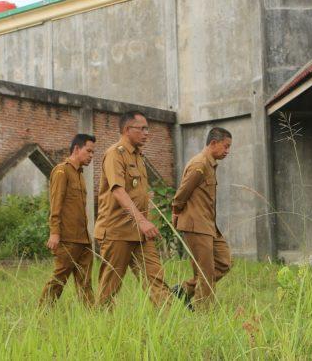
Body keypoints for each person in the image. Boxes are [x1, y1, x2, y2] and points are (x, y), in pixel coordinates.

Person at [94, 111, 170, 307]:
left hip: (140, 234)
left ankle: (172, 327)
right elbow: (118, 191)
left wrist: (144, 223)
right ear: (128, 130)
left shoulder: (138, 156)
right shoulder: (115, 154)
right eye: (142, 128)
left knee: (156, 280)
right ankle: (100, 329)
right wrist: (143, 221)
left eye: (147, 129)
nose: (146, 133)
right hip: (117, 231)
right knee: (109, 288)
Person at [171, 127, 233, 309]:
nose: (228, 151)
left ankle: (184, 290)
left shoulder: (210, 165)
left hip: (209, 225)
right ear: (213, 143)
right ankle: (202, 313)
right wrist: (176, 212)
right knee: (205, 272)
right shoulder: (199, 165)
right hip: (196, 225)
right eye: (226, 146)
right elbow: (182, 193)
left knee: (225, 261)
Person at [39, 133, 96, 307]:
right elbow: (56, 204)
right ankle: (42, 313)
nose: (91, 156)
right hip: (67, 238)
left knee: (85, 282)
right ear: (77, 149)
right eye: (89, 151)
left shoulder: (79, 175)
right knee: (59, 279)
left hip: (83, 239)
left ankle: (91, 317)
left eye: (93, 152)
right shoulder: (61, 171)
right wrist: (54, 233)